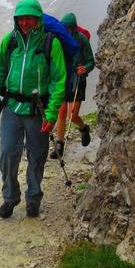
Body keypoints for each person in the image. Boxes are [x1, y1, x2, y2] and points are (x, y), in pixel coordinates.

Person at [0, 0, 66, 218]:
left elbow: (58, 80)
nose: (24, 23)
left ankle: (33, 199)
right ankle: (10, 198)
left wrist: (51, 113)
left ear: (38, 19)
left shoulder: (51, 43)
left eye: (29, 18)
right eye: (20, 19)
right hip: (12, 106)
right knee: (7, 154)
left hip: (38, 110)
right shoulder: (10, 41)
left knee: (37, 155)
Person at [50, 12, 94, 159]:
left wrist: (85, 68)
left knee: (72, 115)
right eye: (64, 27)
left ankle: (84, 128)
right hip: (64, 79)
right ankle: (59, 145)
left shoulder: (82, 39)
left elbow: (91, 60)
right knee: (61, 112)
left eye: (68, 27)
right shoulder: (60, 39)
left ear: (73, 27)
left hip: (78, 80)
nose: (66, 30)